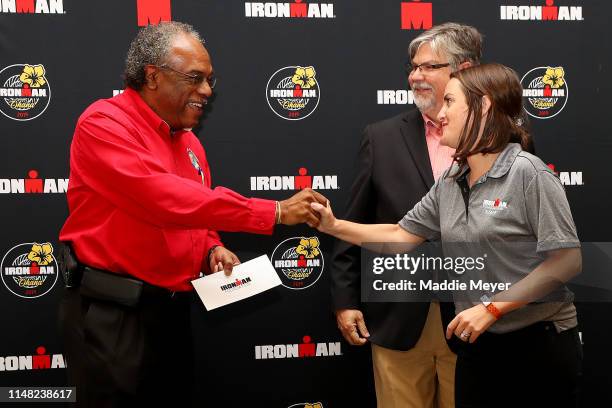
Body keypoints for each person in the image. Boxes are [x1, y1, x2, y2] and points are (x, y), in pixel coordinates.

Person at [57, 22, 326, 407]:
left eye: (209, 80)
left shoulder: (190, 144)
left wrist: (210, 249)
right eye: (195, 78)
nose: (206, 91)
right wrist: (276, 211)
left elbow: (194, 214)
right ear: (152, 76)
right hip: (112, 314)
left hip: (170, 313)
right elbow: (162, 199)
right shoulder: (104, 123)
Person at [313, 63, 582, 408]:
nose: (440, 113)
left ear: (483, 106)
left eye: (450, 102)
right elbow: (399, 235)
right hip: (479, 343)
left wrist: (492, 308)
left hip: (537, 342)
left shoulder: (528, 173)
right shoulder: (452, 180)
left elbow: (568, 260)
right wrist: (332, 225)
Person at [331, 22, 482, 407]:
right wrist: (346, 300)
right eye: (413, 67)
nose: (415, 76)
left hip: (474, 319)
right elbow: (359, 221)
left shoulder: (499, 137)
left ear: (463, 69)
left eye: (429, 66)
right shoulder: (381, 137)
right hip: (397, 316)